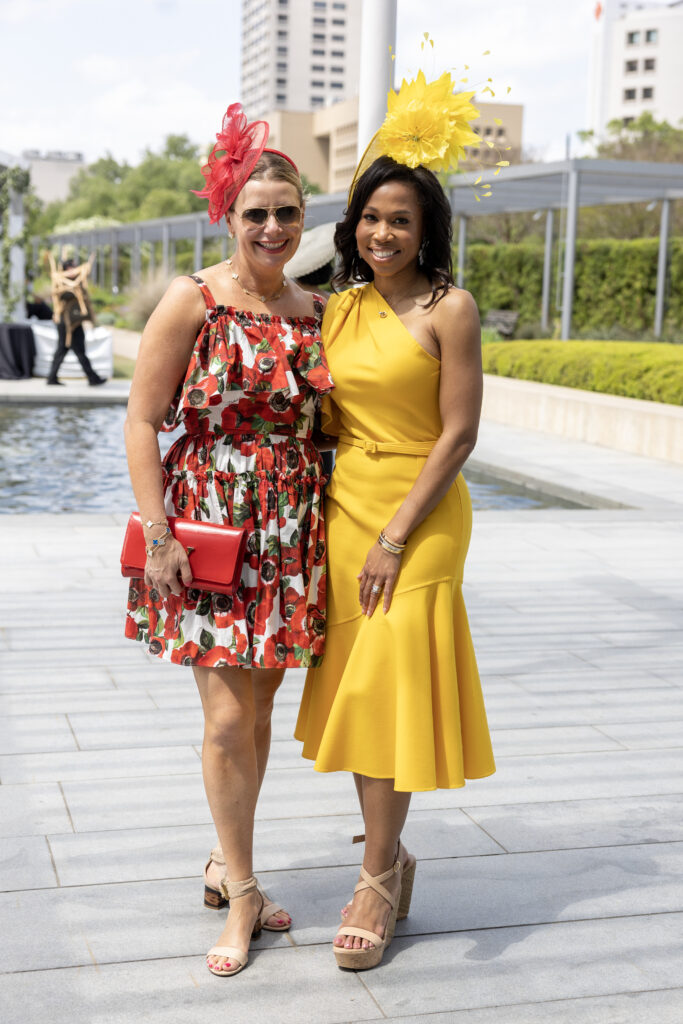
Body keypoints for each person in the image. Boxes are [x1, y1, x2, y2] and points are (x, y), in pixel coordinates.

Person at [123, 103, 333, 978]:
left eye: (287, 212)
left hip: (290, 530)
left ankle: (224, 862)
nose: (274, 227)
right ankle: (243, 894)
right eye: (257, 213)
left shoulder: (316, 310)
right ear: (230, 216)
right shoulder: (194, 300)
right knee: (224, 719)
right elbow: (140, 420)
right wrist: (159, 535)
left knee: (260, 719)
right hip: (207, 526)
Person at [294, 70, 496, 970]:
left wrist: (392, 536)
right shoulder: (336, 308)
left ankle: (375, 878)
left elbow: (459, 436)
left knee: (386, 681)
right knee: (364, 692)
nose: (384, 232)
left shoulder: (448, 307)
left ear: (426, 230)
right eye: (371, 216)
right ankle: (392, 857)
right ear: (353, 223)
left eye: (401, 220)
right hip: (348, 509)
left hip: (419, 514)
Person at [46, 254, 106, 386]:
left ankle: (52, 377)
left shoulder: (76, 282)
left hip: (74, 322)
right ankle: (92, 378)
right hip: (66, 323)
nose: (75, 269)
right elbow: (64, 295)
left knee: (69, 350)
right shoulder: (62, 282)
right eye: (72, 267)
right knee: (72, 350)